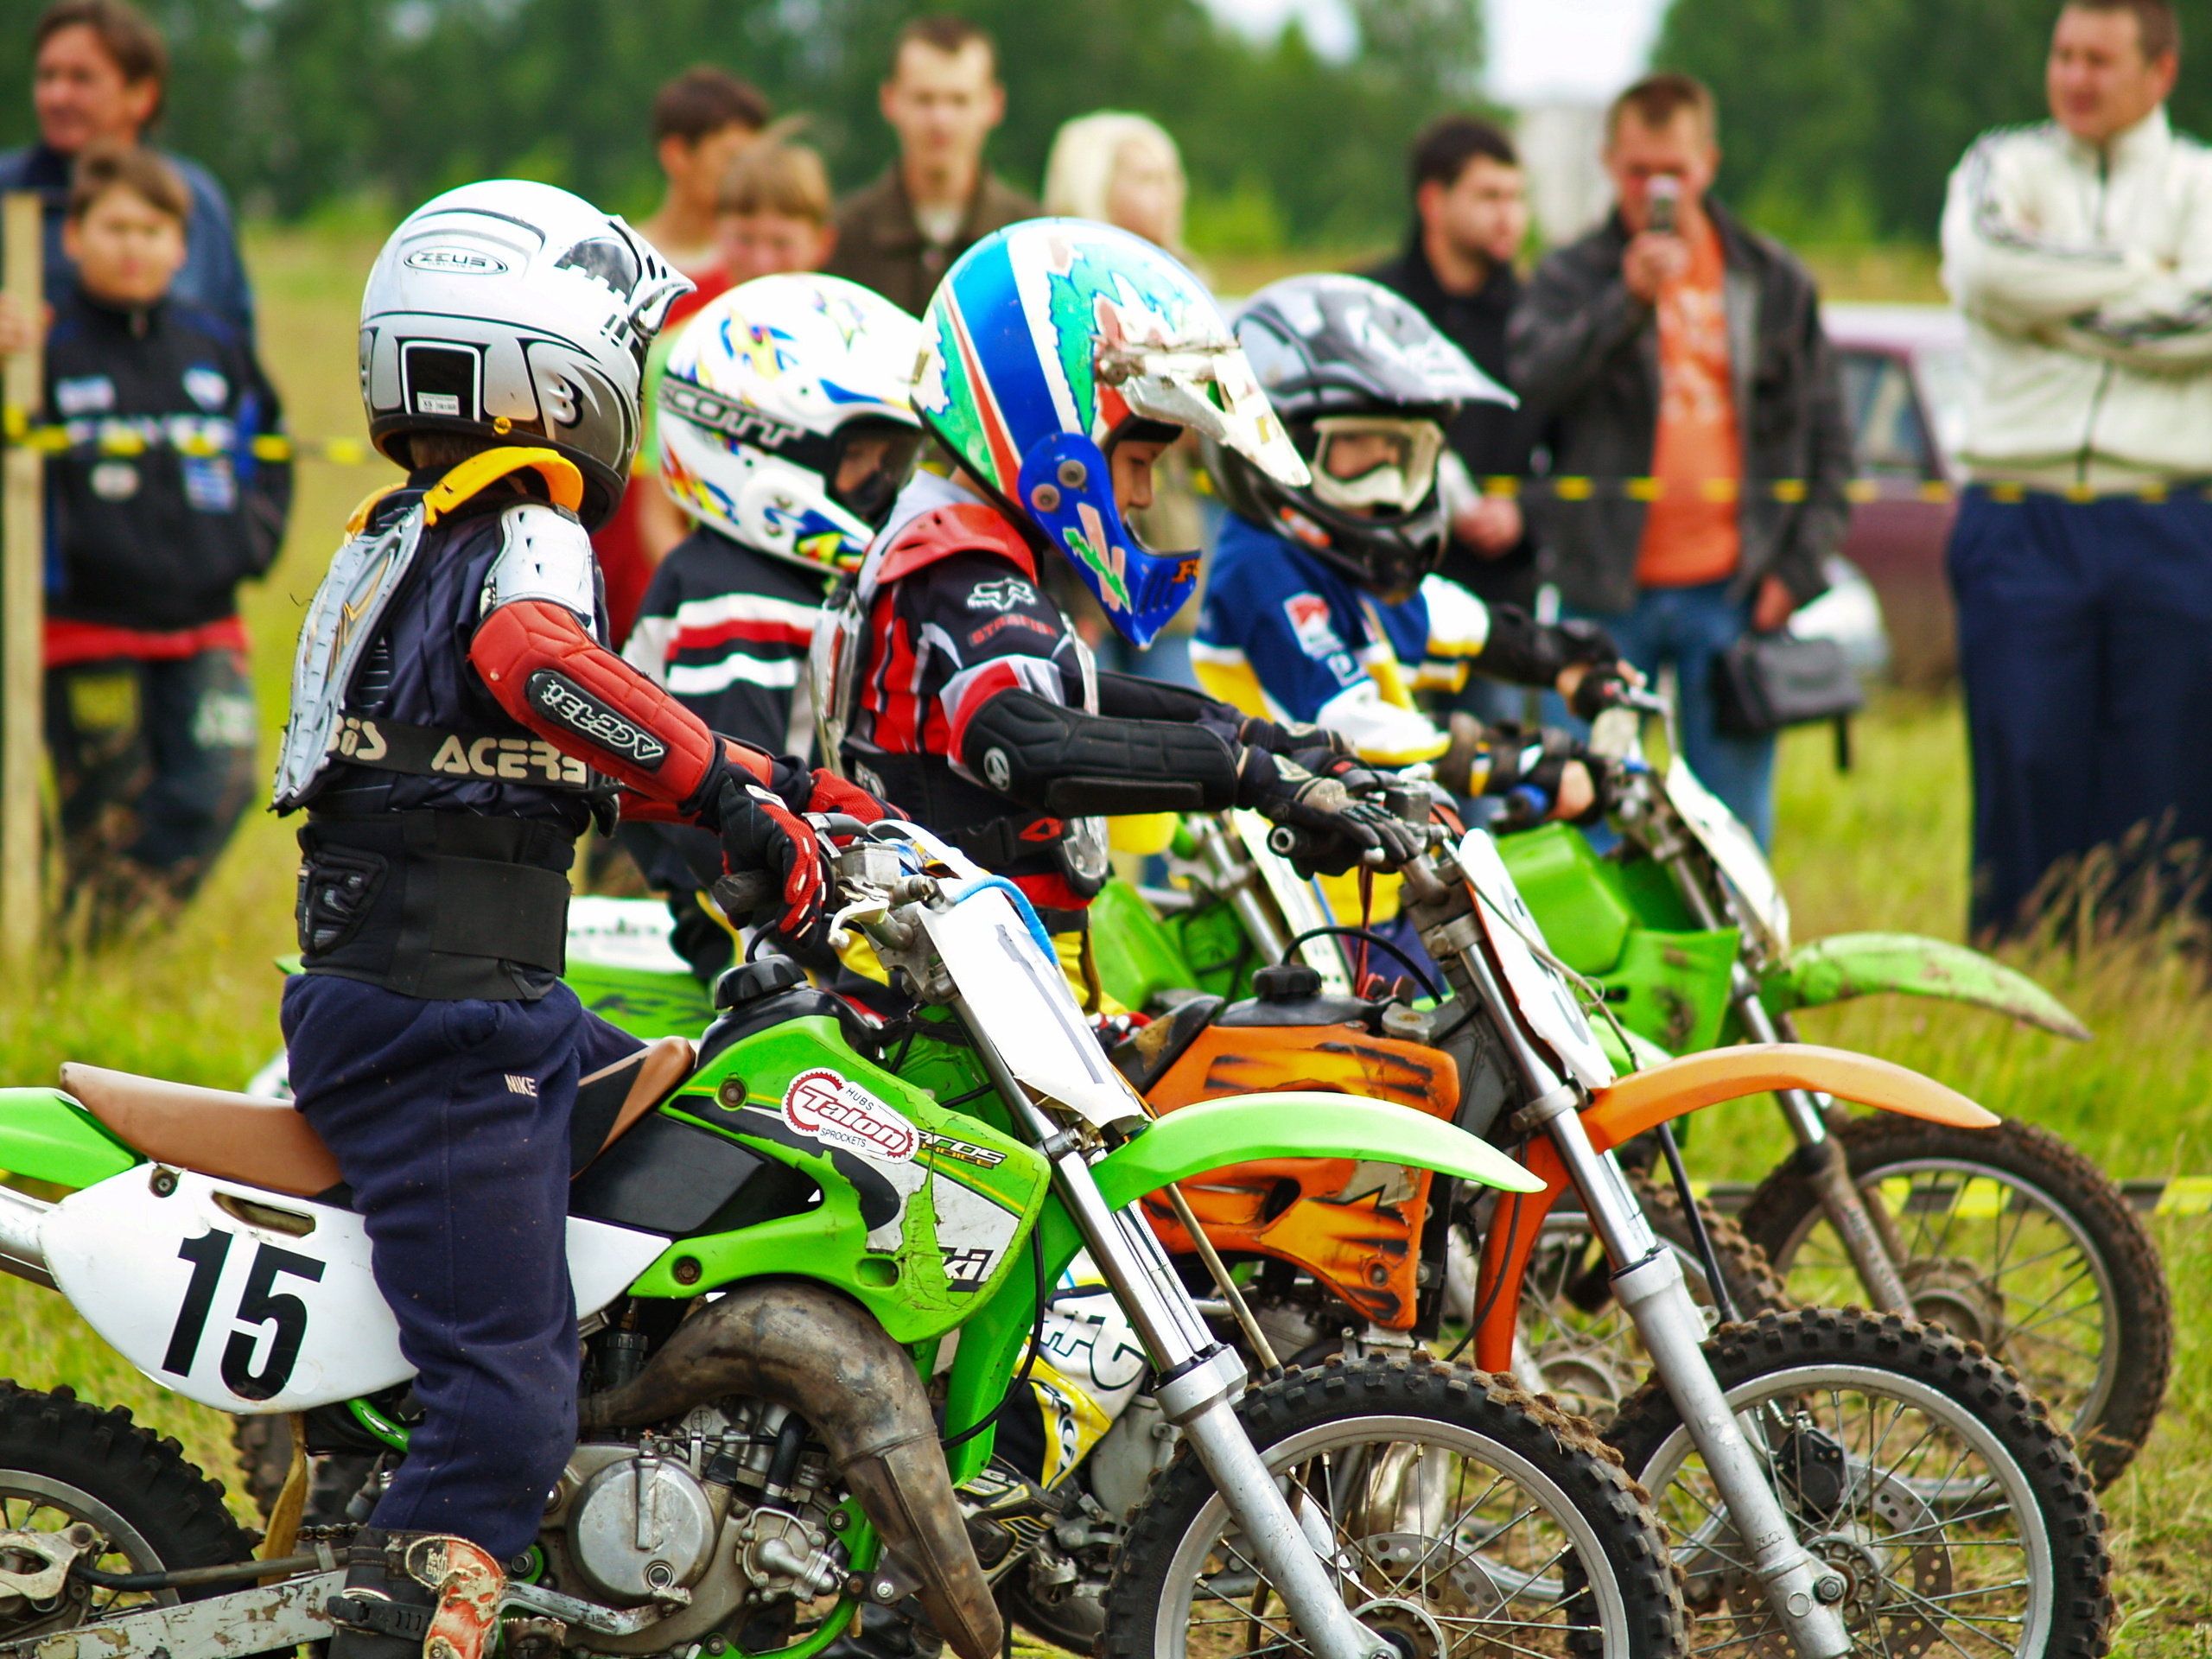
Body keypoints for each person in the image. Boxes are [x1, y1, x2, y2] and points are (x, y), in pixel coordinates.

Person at [273, 181, 888, 1659]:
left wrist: (780, 784)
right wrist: (736, 806)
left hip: (479, 994)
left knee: (715, 1139)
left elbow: (564, 732)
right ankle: (398, 1615)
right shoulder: (527, 530)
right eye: (624, 346)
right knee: (507, 1391)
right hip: (440, 1017)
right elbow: (536, 662)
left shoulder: (413, 532)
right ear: (543, 360)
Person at [817, 219, 1426, 1004]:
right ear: (1052, 423)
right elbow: (1031, 743)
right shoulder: (958, 568)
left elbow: (1080, 696)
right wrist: (1246, 777)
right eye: (1136, 461)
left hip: (999, 977)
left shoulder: (963, 544)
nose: (1140, 495)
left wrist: (1271, 742)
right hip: (954, 1001)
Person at [1190, 274, 1622, 942]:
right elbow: (1355, 724)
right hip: (1301, 911)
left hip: (1374, 881)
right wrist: (1519, 759)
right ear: (1277, 445)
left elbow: (1465, 623)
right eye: (1363, 453)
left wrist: (1567, 662)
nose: (1390, 488)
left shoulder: (1345, 563)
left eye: (1405, 457)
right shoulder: (1262, 567)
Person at [1509, 72, 1853, 848]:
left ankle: (1733, 968)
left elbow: (1831, 438)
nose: (1653, 187)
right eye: (1637, 171)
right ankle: (1585, 971)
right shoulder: (1573, 274)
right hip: (1604, 592)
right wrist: (1625, 302)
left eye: (1673, 170)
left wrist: (1796, 571)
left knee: (1728, 829)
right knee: (1583, 813)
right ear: (1608, 163)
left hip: (1733, 590)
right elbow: (1533, 382)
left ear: (1709, 164)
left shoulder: (1770, 278)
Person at [1940, 0, 2212, 938]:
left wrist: (2046, 304)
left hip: (2169, 518)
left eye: (2100, 59)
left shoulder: (2201, 183)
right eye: (2064, 55)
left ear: (2159, 73)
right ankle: (2021, 978)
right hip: (2022, 516)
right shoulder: (1997, 165)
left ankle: (2157, 986)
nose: (2076, 77)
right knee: (2024, 761)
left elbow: (2205, 316)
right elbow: (1985, 270)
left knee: (2170, 771)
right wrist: (2146, 269)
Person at [622, 271, 924, 981]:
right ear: (756, 445)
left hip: (815, 909)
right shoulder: (733, 597)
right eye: (861, 456)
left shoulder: (789, 580)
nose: (884, 485)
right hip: (756, 939)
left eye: (893, 460)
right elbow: (729, 818)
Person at [41, 143, 288, 941]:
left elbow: (271, 450)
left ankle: (107, 940)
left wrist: (248, 543)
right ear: (73, 235)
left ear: (182, 245)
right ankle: (84, 956)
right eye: (114, 226)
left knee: (219, 783)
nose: (133, 245)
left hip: (203, 620)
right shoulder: (42, 343)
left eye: (153, 229)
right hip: (85, 626)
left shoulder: (214, 344)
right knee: (101, 806)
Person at [1366, 117, 1542, 724]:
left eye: (1517, 198)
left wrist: (1525, 512)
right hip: (1377, 590)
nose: (1509, 216)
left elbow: (1583, 455)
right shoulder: (1369, 304)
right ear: (1433, 201)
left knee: (1487, 793)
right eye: (1489, 196)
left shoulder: (1538, 319)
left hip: (1492, 603)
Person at [594, 67, 772, 645]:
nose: (745, 179)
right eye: (730, 159)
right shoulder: (608, 269)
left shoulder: (750, 282)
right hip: (606, 538)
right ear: (677, 154)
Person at [1038, 111, 1207, 690]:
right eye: (1144, 177)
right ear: (1093, 179)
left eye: (1170, 176)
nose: (1166, 192)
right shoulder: (1052, 283)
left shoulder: (1188, 283)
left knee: (1182, 707)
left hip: (1167, 531)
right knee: (1088, 698)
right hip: (1074, 546)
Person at [0, 0, 252, 353]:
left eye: (81, 78)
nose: (57, 96)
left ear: (141, 96)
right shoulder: (8, 192)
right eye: (47, 76)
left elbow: (235, 344)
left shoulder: (196, 200)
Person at [826, 16, 1040, 315]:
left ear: (994, 104)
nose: (940, 119)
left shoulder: (1031, 240)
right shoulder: (839, 238)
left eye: (959, 100)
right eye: (924, 99)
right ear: (889, 100)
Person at [715, 138, 839, 282]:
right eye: (745, 240)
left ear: (823, 243)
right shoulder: (692, 298)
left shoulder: (856, 302)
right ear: (716, 232)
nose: (761, 264)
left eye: (781, 243)